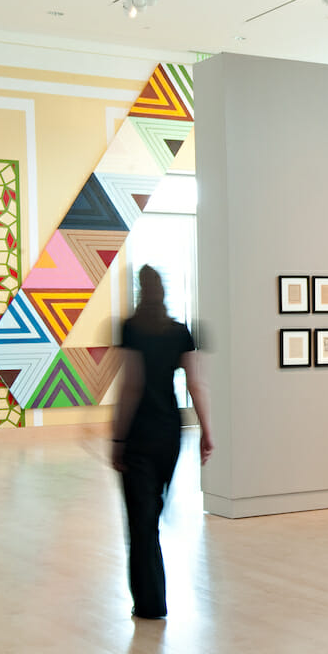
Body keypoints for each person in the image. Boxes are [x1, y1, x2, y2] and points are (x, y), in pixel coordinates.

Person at [111, 265, 214, 619]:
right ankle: (152, 597)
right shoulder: (180, 331)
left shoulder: (130, 329)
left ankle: (150, 603)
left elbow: (131, 386)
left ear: (140, 290)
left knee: (141, 523)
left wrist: (118, 438)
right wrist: (206, 430)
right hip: (170, 433)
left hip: (139, 434)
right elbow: (196, 385)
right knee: (150, 511)